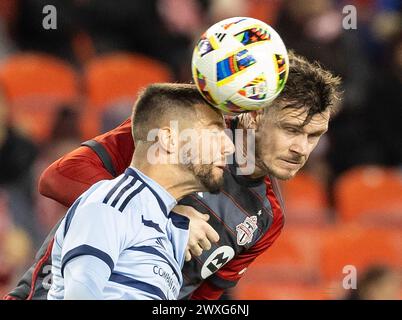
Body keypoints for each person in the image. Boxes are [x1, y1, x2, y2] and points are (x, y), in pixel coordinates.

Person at [5, 52, 342, 300]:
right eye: (291, 129)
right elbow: (58, 177)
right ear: (253, 117)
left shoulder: (267, 216)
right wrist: (162, 215)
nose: (302, 148)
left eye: (314, 135)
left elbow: (201, 297)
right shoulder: (182, 128)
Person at [47, 83, 234, 299]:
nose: (229, 147)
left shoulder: (165, 229)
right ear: (169, 139)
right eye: (214, 132)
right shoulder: (113, 202)